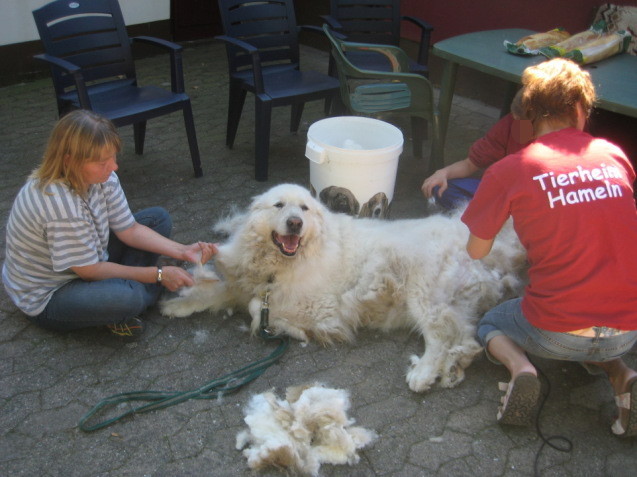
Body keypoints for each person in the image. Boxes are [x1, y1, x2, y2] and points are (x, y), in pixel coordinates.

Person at [462, 58, 637, 436]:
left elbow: (476, 251)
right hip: (628, 327)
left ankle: (521, 370)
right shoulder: (614, 155)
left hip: (555, 331)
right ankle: (624, 375)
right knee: (599, 334)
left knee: (491, 322)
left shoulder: (511, 168)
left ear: (528, 112)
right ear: (579, 109)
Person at [2, 110, 217, 338]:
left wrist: (182, 250)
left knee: (157, 219)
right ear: (69, 160)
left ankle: (136, 290)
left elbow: (130, 229)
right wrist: (160, 274)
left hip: (88, 259)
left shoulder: (103, 177)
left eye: (114, 157)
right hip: (51, 294)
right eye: (103, 162)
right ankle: (133, 297)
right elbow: (90, 272)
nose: (114, 167)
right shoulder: (59, 205)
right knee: (127, 298)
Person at [421, 108, 534, 209]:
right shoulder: (511, 123)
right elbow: (470, 164)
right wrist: (443, 173)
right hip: (501, 193)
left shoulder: (549, 143)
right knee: (441, 189)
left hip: (533, 202)